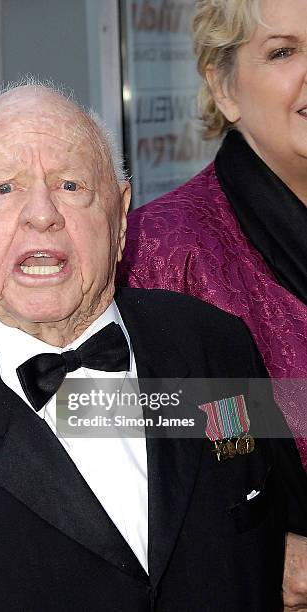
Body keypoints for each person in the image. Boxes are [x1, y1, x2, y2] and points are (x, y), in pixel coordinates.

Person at [0, 84, 307, 611]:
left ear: (120, 217)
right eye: (4, 189)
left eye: (71, 185)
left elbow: (278, 530)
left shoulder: (214, 342)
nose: (42, 214)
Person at [117, 0, 307, 608]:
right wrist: (255, 535)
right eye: (283, 51)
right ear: (223, 86)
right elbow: (92, 417)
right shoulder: (157, 248)